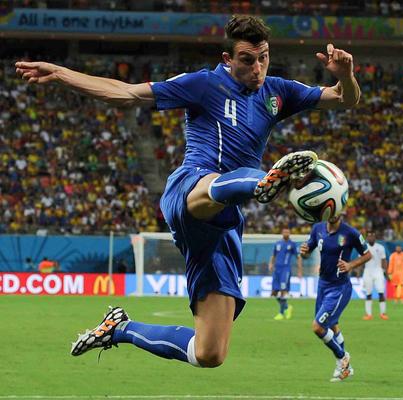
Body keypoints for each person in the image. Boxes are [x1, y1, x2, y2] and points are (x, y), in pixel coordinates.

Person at [17, 15, 360, 368]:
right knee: (220, 187)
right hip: (191, 189)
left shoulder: (277, 91)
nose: (257, 68)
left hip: (224, 223)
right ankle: (262, 182)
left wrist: (346, 75)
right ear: (227, 59)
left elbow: (342, 98)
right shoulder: (203, 84)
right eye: (247, 60)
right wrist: (61, 74)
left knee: (209, 353)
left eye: (263, 58)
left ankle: (119, 328)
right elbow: (127, 94)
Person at [300, 215, 371, 382]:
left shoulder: (350, 233)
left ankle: (342, 356)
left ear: (340, 211)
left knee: (318, 327)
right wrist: (304, 253)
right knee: (332, 324)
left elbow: (367, 255)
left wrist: (350, 265)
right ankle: (346, 368)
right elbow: (307, 253)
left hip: (339, 287)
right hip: (322, 284)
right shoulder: (317, 229)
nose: (333, 214)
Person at [268, 227, 302, 320]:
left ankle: (281, 313)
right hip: (277, 269)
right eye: (284, 232)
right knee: (274, 292)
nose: (286, 233)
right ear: (282, 233)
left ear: (289, 233)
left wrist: (299, 271)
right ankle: (287, 307)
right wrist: (271, 264)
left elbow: (298, 257)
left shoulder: (292, 244)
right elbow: (273, 255)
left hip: (285, 269)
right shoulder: (278, 243)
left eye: (287, 232)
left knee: (283, 290)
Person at [361, 231, 388, 320]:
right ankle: (368, 314)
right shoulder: (364, 247)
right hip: (367, 271)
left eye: (372, 236)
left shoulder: (380, 247)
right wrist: (358, 272)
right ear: (367, 238)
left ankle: (383, 313)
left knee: (381, 292)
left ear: (375, 238)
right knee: (368, 293)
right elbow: (360, 260)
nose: (371, 238)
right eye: (369, 236)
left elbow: (384, 260)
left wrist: (386, 272)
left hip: (378, 271)